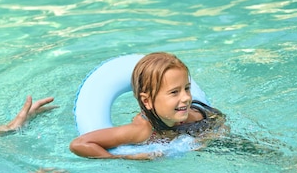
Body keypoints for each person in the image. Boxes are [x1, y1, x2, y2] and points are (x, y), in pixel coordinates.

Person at [69, 52, 227, 160]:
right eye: (174, 92)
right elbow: (79, 144)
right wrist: (123, 157)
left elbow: (219, 119)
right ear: (147, 101)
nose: (186, 98)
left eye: (186, 88)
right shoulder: (142, 131)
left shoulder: (194, 115)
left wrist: (208, 139)